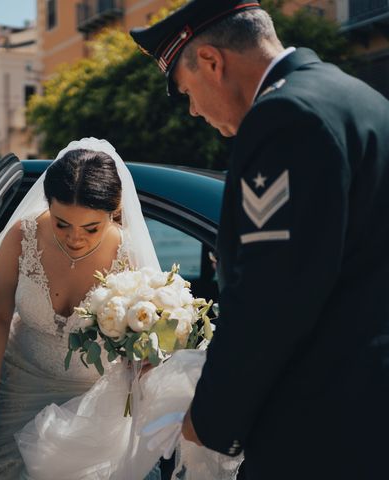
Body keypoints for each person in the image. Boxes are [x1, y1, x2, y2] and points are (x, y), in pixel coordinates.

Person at [130, 0, 389, 478]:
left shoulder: (284, 118)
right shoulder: (362, 99)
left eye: (187, 93)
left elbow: (271, 300)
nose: (192, 111)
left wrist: (207, 421)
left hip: (324, 432)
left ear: (211, 61)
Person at [0, 138, 162, 479]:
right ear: (48, 205)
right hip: (21, 386)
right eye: (61, 223)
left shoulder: (129, 256)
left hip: (97, 400)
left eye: (91, 228)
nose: (75, 239)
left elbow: (144, 336)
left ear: (113, 213)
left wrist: (143, 358)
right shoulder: (22, 237)